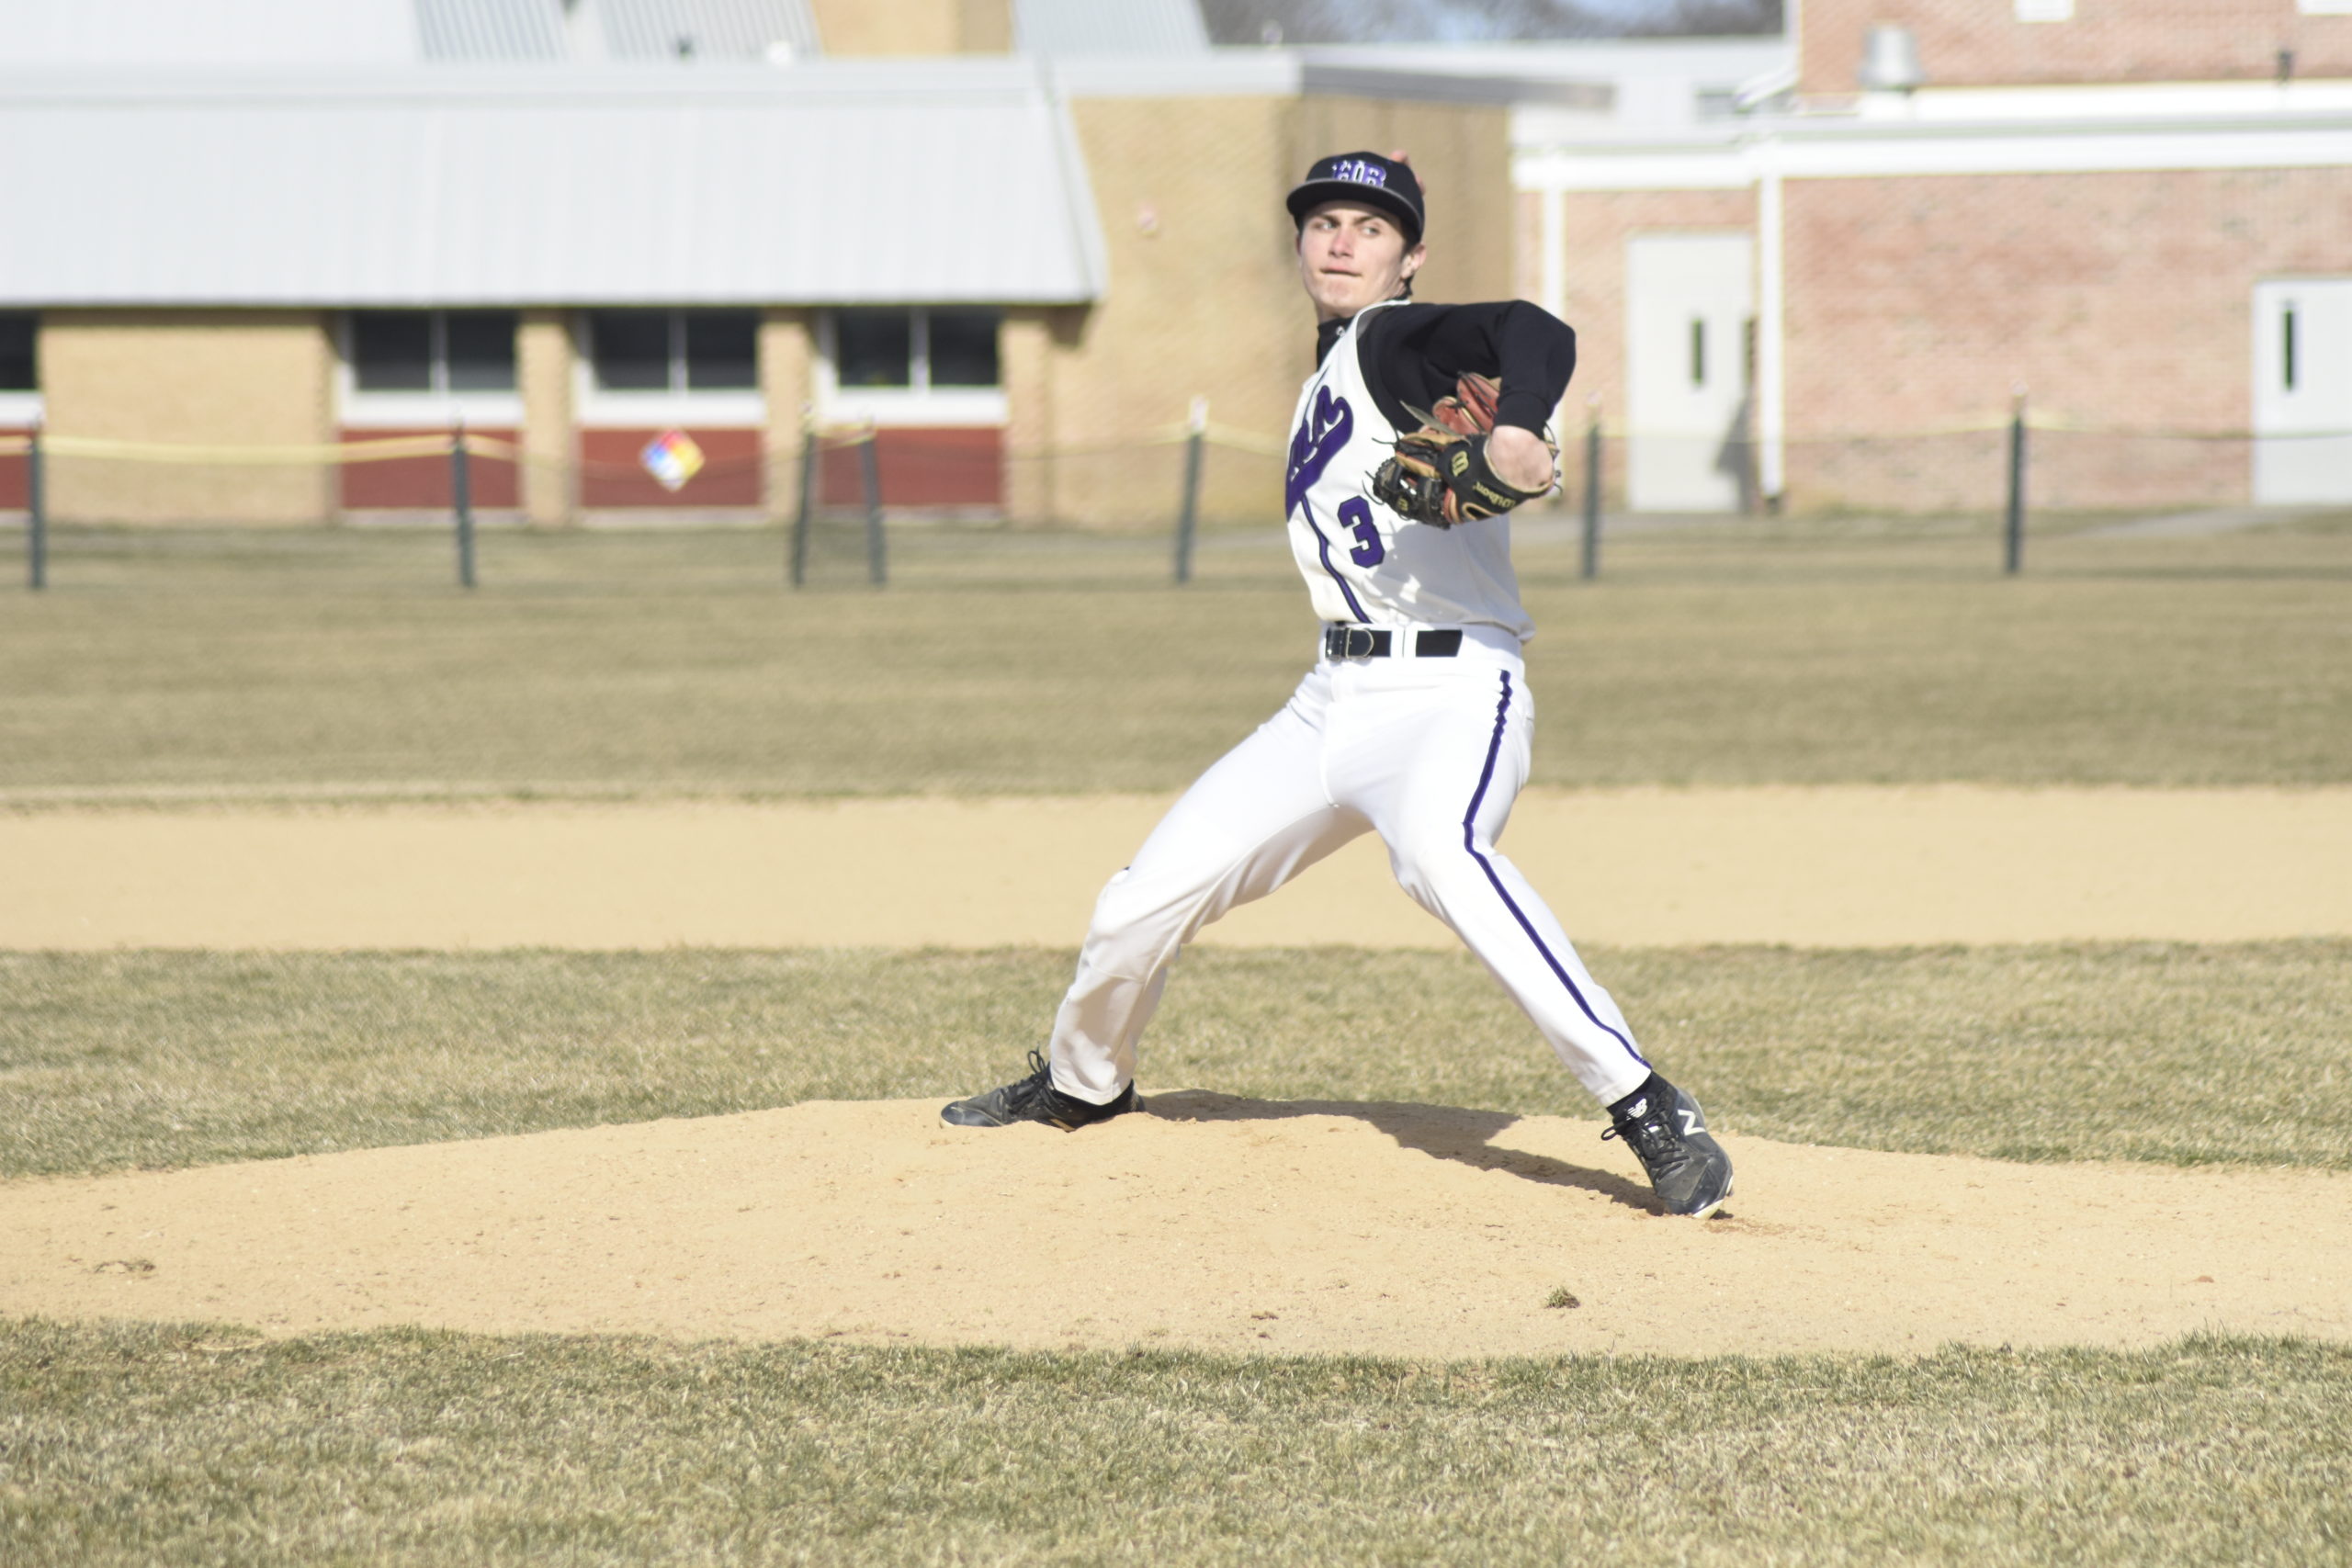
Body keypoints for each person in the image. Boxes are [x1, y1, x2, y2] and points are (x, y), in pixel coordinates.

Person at [941, 151, 1734, 1218]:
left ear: (1408, 259)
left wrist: (1516, 422)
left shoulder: (1388, 337)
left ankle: (1647, 1106)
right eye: (1324, 222)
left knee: (1443, 861)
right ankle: (1086, 1087)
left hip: (1452, 692)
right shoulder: (1331, 377)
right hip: (1327, 702)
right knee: (1138, 904)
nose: (1342, 240)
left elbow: (1533, 332)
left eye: (1370, 225)